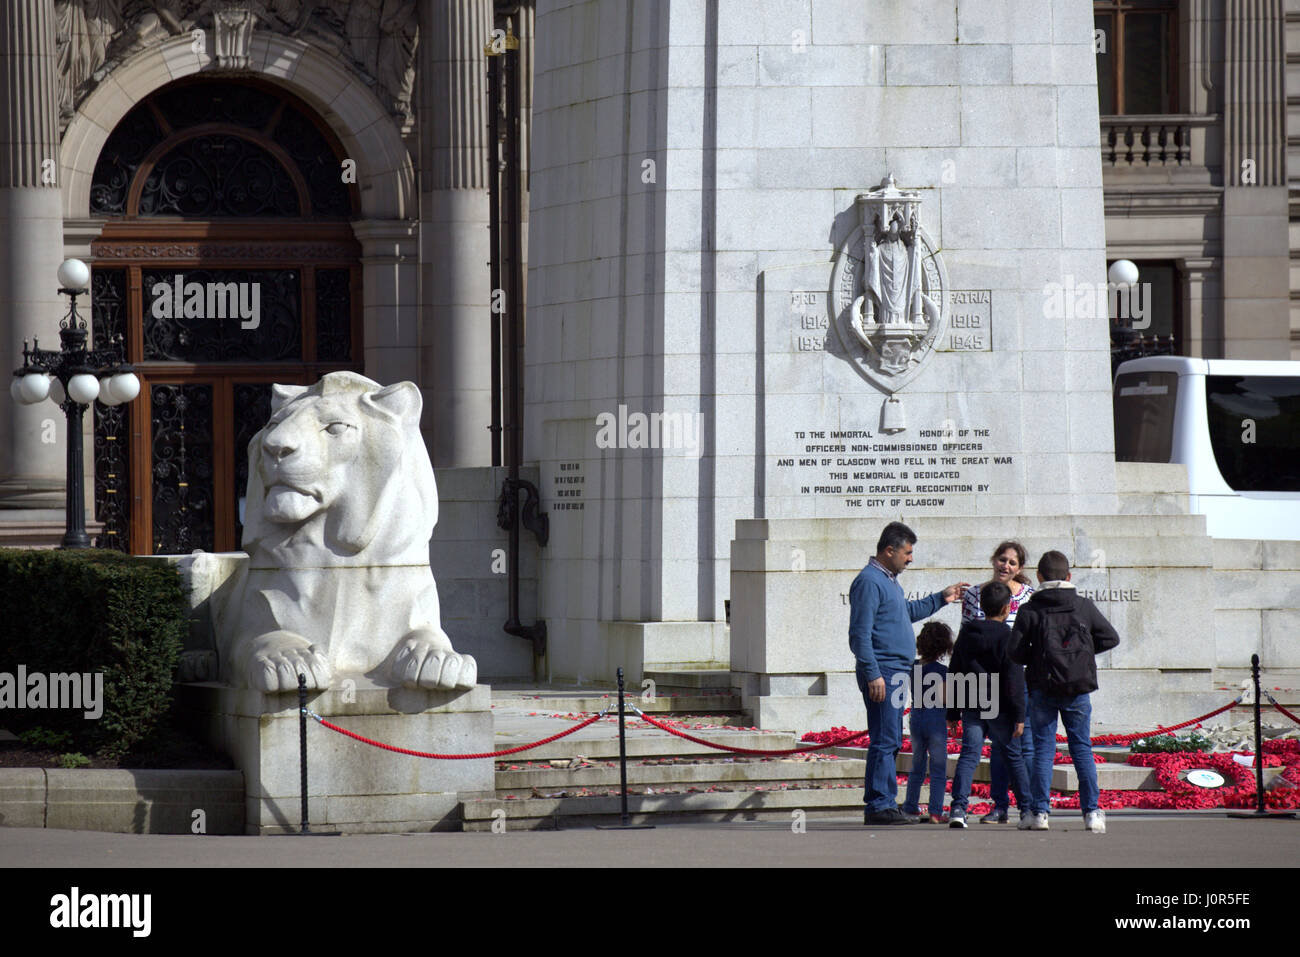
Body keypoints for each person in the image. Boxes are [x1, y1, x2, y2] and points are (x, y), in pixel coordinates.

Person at [850, 521, 968, 826]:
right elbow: (859, 635)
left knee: (889, 737)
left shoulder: (887, 581)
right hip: (884, 672)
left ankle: (884, 803)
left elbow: (906, 613)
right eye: (907, 552)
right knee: (885, 738)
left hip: (895, 671)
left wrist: (942, 597)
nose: (910, 558)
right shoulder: (869, 581)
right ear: (889, 550)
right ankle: (879, 805)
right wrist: (873, 672)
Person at [1009, 550, 1120, 833]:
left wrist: (1040, 658)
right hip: (1077, 687)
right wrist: (1080, 655)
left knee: (1043, 751)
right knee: (1081, 749)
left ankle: (1039, 813)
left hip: (1042, 687)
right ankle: (1092, 813)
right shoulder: (1082, 606)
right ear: (1068, 577)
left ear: (1039, 577)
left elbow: (1015, 653)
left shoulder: (1030, 609)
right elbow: (1111, 637)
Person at [945, 581, 1033, 828]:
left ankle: (959, 809)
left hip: (973, 702)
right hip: (1001, 707)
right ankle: (1027, 809)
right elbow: (1014, 677)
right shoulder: (1009, 636)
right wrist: (1019, 714)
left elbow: (955, 672)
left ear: (981, 606)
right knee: (1013, 756)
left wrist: (952, 711)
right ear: (1008, 608)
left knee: (969, 755)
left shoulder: (967, 634)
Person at [960, 540, 1035, 823]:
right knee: (998, 749)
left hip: (1018, 680)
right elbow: (965, 639)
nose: (1006, 566)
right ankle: (1001, 805)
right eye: (1002, 559)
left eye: (1012, 562)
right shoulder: (974, 595)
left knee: (1020, 747)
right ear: (994, 560)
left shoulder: (1029, 596)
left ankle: (1030, 807)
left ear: (1020, 568)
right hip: (982, 685)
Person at [901, 621, 955, 823]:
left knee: (917, 764)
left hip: (916, 715)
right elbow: (945, 699)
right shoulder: (943, 671)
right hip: (935, 717)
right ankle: (935, 810)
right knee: (938, 767)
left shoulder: (912, 667)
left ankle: (910, 806)